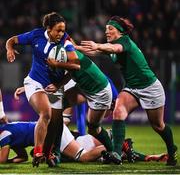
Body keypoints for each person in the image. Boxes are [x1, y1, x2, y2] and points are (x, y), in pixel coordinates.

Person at [78, 16, 177, 166]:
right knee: (119, 111)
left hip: (150, 87)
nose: (107, 32)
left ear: (120, 31)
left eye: (110, 29)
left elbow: (113, 48)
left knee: (158, 125)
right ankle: (117, 153)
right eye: (106, 29)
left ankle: (171, 150)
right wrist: (73, 47)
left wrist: (97, 45)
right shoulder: (110, 45)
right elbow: (94, 52)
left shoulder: (124, 41)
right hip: (132, 87)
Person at [5, 12, 80, 167]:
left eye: (63, 30)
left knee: (56, 122)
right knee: (46, 113)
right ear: (48, 28)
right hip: (34, 83)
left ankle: (49, 152)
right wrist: (10, 49)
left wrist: (58, 80)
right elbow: (11, 40)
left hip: (55, 86)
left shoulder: (66, 41)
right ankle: (38, 151)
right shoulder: (35, 35)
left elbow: (76, 66)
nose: (61, 33)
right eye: (58, 30)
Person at [0, 121, 168, 164]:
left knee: (83, 157)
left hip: (56, 133)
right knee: (95, 153)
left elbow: (2, 159)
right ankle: (146, 157)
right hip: (67, 134)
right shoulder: (9, 131)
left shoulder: (4, 133)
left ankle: (120, 149)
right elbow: (22, 157)